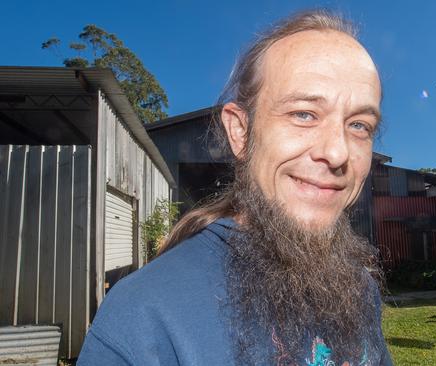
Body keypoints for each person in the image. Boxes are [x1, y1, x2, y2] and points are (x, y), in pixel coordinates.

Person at [78, 9, 392, 365]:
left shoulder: (359, 290)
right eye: (303, 114)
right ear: (240, 132)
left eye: (359, 126)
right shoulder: (143, 319)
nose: (337, 152)